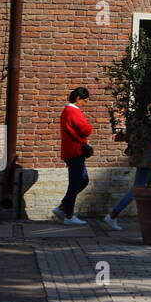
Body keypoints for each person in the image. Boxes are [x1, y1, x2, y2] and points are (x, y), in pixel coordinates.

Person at [101, 131, 151, 231]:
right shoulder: (146, 119)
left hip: (145, 159)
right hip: (145, 160)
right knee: (136, 190)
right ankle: (112, 215)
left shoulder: (139, 119)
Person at [53, 86, 93, 225]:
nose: (84, 105)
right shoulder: (73, 111)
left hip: (72, 151)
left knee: (81, 180)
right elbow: (86, 129)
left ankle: (63, 207)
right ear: (78, 98)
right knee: (77, 182)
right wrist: (88, 128)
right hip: (75, 152)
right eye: (84, 101)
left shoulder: (67, 111)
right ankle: (68, 215)